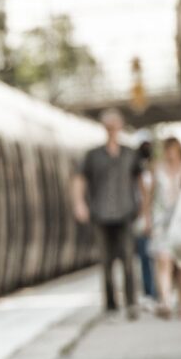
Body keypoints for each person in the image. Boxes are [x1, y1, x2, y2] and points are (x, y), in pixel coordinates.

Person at [72, 108, 150, 320]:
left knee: (127, 259)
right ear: (104, 128)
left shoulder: (130, 153)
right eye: (109, 126)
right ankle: (110, 305)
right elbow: (80, 179)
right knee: (106, 262)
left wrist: (145, 209)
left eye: (115, 125)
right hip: (101, 214)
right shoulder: (92, 155)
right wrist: (79, 204)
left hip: (126, 213)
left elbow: (141, 181)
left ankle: (131, 303)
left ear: (120, 126)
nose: (112, 129)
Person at [148, 137, 181, 319]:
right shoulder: (157, 169)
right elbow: (149, 195)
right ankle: (166, 301)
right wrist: (147, 218)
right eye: (168, 149)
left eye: (173, 149)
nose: (170, 153)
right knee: (163, 260)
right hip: (161, 222)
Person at [133, 134, 157, 307]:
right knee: (149, 258)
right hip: (150, 220)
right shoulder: (153, 170)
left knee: (149, 258)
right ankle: (153, 292)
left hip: (149, 220)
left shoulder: (142, 172)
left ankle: (152, 292)